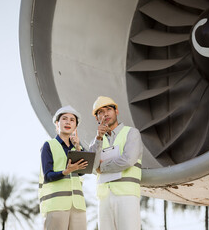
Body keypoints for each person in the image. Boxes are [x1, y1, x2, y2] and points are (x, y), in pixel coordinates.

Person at [89, 96, 143, 230]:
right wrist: (99, 139)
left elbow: (128, 159)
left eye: (108, 109)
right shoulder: (96, 141)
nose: (105, 114)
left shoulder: (131, 133)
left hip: (127, 194)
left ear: (116, 111)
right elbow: (93, 166)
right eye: (100, 112)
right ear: (97, 118)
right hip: (104, 197)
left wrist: (103, 167)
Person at [39, 105, 88, 230]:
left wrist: (78, 147)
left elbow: (82, 172)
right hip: (56, 205)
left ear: (76, 126)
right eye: (64, 119)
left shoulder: (77, 148)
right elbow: (48, 176)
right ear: (57, 123)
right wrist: (66, 171)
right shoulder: (48, 145)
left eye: (72, 120)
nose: (68, 122)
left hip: (78, 206)